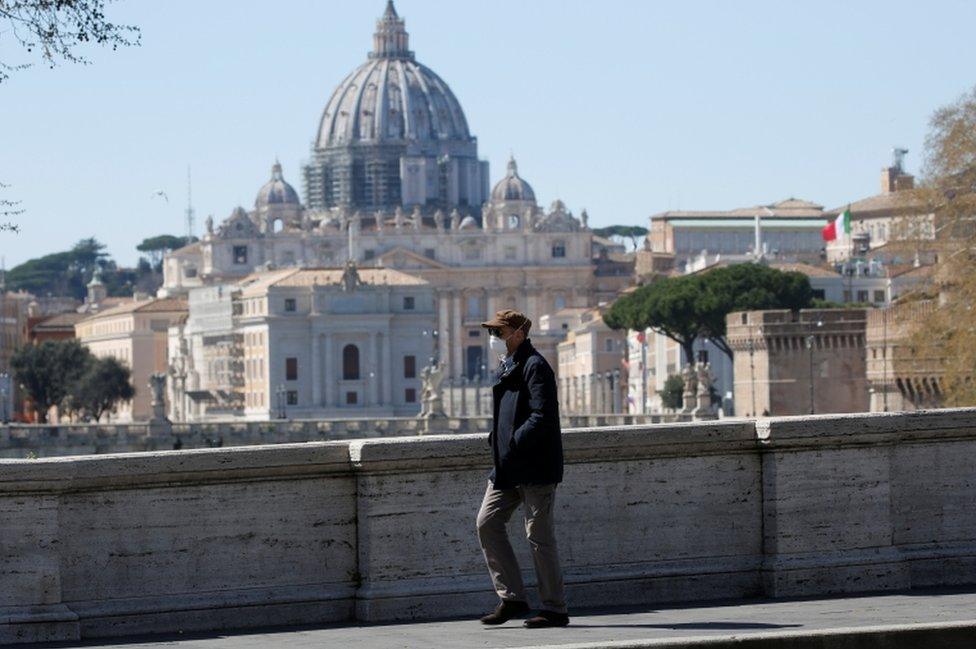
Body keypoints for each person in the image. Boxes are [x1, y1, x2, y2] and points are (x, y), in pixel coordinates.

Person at [475, 309, 568, 628]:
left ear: (517, 333)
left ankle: (554, 608)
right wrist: (497, 438)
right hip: (506, 467)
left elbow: (542, 414)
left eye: (498, 333)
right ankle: (512, 598)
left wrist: (513, 440)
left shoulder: (535, 365)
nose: (493, 338)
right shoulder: (509, 364)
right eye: (492, 333)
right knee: (487, 522)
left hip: (534, 465)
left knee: (539, 536)